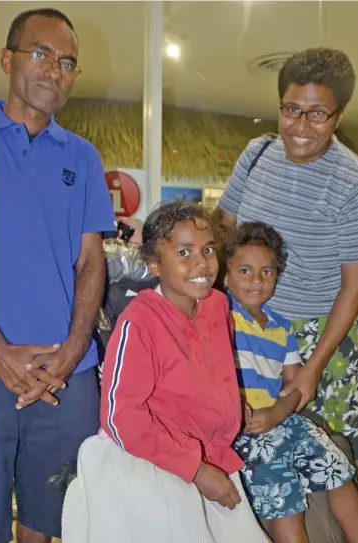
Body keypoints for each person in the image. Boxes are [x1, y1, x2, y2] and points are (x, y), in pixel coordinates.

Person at [62, 202, 269, 542]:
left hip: (211, 452)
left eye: (207, 250)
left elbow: (213, 367)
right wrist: (196, 469)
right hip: (154, 459)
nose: (202, 263)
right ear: (155, 264)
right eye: (184, 253)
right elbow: (120, 416)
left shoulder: (218, 305)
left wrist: (231, 403)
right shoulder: (140, 321)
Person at [0, 8, 116, 543]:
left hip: (67, 375)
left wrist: (72, 348)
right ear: (7, 59)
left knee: (47, 523)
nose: (54, 69)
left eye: (67, 62)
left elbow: (92, 260)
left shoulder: (83, 159)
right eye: (41, 53)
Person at [218, 47, 358, 459]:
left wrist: (311, 369)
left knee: (328, 457)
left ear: (339, 115)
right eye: (292, 109)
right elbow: (223, 228)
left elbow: (353, 290)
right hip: (246, 329)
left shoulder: (351, 181)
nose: (300, 126)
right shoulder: (257, 153)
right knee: (249, 451)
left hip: (320, 341)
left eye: (317, 114)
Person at [223, 221, 358, 543]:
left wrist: (278, 413)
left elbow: (295, 386)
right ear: (225, 275)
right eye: (244, 271)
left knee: (338, 472)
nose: (256, 280)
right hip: (245, 429)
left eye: (267, 272)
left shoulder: (282, 329)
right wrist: (250, 412)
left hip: (283, 420)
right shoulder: (219, 314)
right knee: (285, 500)